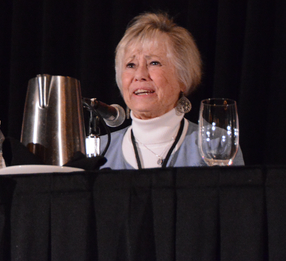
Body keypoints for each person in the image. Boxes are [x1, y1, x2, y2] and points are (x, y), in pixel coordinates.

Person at [102, 12, 244, 169]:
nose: (140, 75)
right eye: (130, 65)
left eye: (154, 63)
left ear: (183, 78)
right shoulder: (98, 152)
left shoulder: (216, 146)